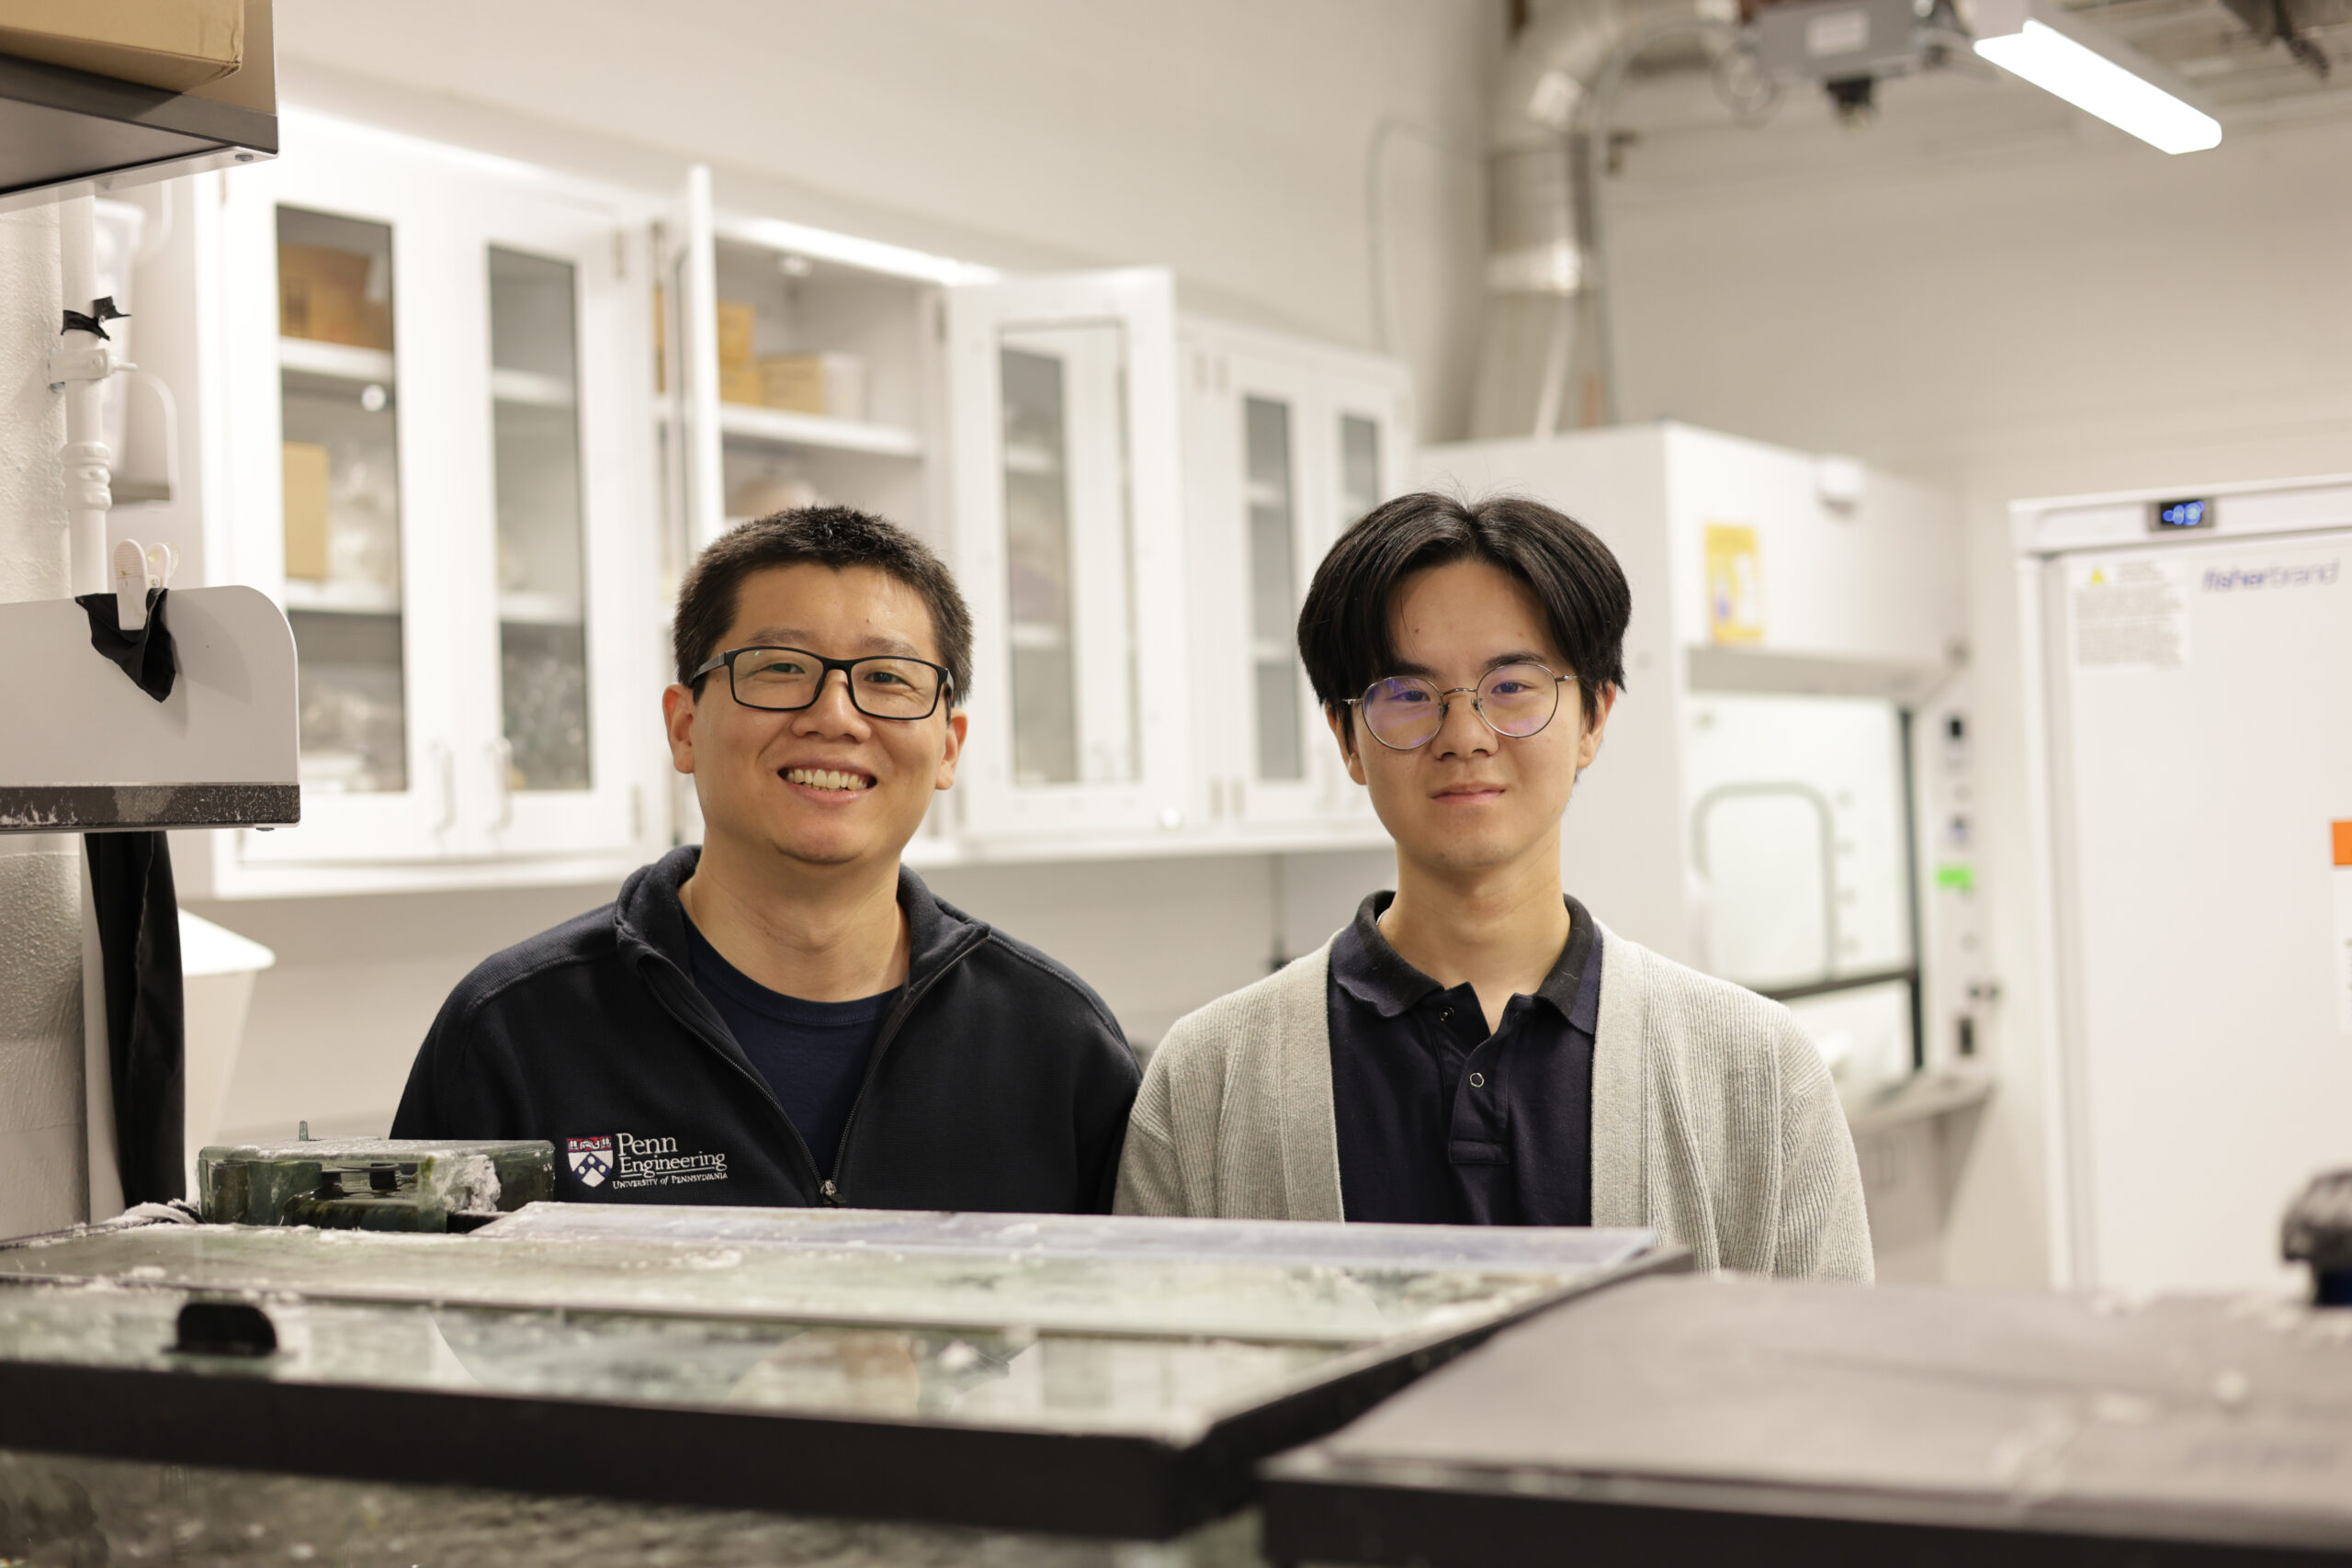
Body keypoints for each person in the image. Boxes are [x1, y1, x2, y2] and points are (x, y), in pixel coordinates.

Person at [1114, 492, 1871, 1279]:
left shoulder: (1759, 1075)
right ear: (1346, 739)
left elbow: (1834, 1385)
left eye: (1511, 687)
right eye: (1407, 696)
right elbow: (1150, 1381)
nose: (1465, 736)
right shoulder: (1207, 1079)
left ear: (1593, 719)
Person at [393, 508, 1139, 1212]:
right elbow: (407, 1336)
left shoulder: (1057, 1046)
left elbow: (1129, 1341)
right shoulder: (512, 1034)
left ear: (948, 746)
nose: (836, 716)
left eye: (887, 677)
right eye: (780, 667)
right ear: (684, 727)